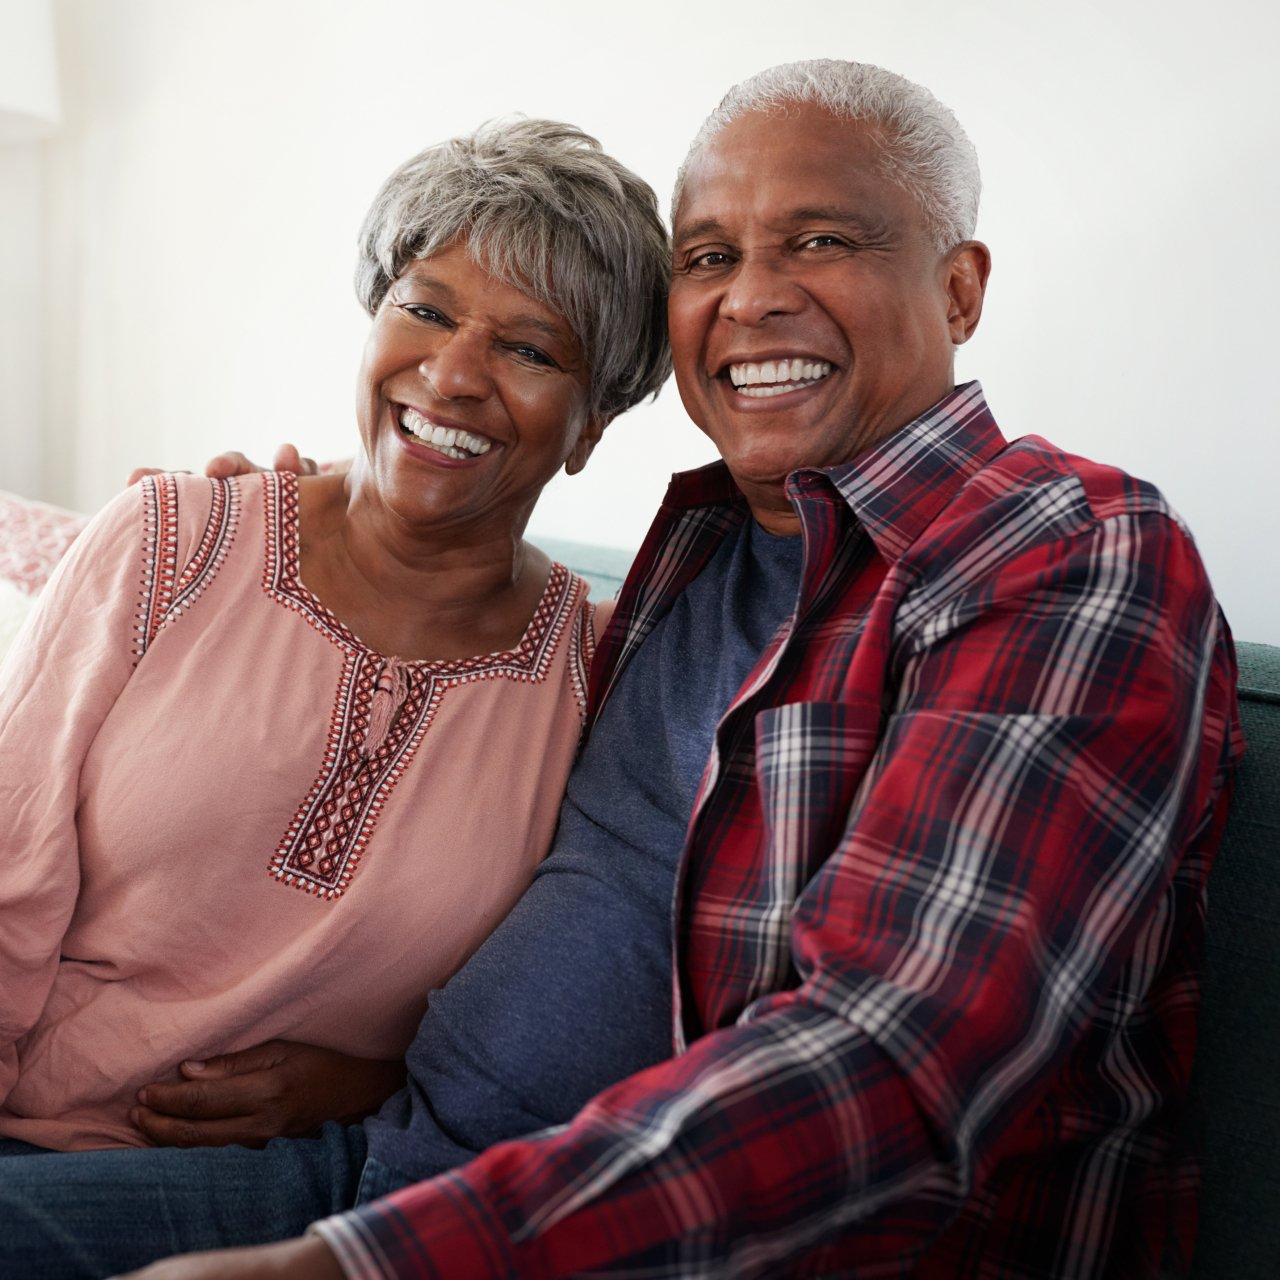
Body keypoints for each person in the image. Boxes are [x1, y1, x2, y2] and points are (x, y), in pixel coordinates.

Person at [0, 59, 1239, 1280]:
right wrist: (238, 531)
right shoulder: (689, 564)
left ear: (958, 288)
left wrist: (355, 1262)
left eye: (816, 241)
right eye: (707, 257)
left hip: (570, 1234)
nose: (750, 299)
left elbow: (889, 1067)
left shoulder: (1056, 552)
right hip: (393, 1163)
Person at [0, 118, 670, 1155]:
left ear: (589, 426)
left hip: (308, 1193)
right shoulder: (173, 537)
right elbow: (10, 873)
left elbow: (567, 1018)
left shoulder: (598, 681)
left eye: (529, 348)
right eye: (426, 309)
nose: (451, 374)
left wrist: (367, 1081)